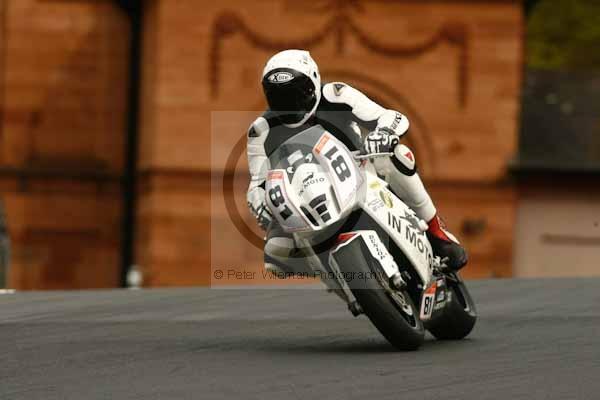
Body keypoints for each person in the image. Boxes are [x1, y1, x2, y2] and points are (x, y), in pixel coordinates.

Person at [246, 49, 467, 276]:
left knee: (400, 155)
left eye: (296, 94)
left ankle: (437, 232)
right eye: (280, 97)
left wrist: (383, 133)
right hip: (307, 199)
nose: (290, 103)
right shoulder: (261, 130)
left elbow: (391, 117)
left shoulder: (336, 94)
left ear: (314, 81)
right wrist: (259, 202)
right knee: (275, 255)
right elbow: (258, 183)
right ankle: (329, 273)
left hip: (361, 171)